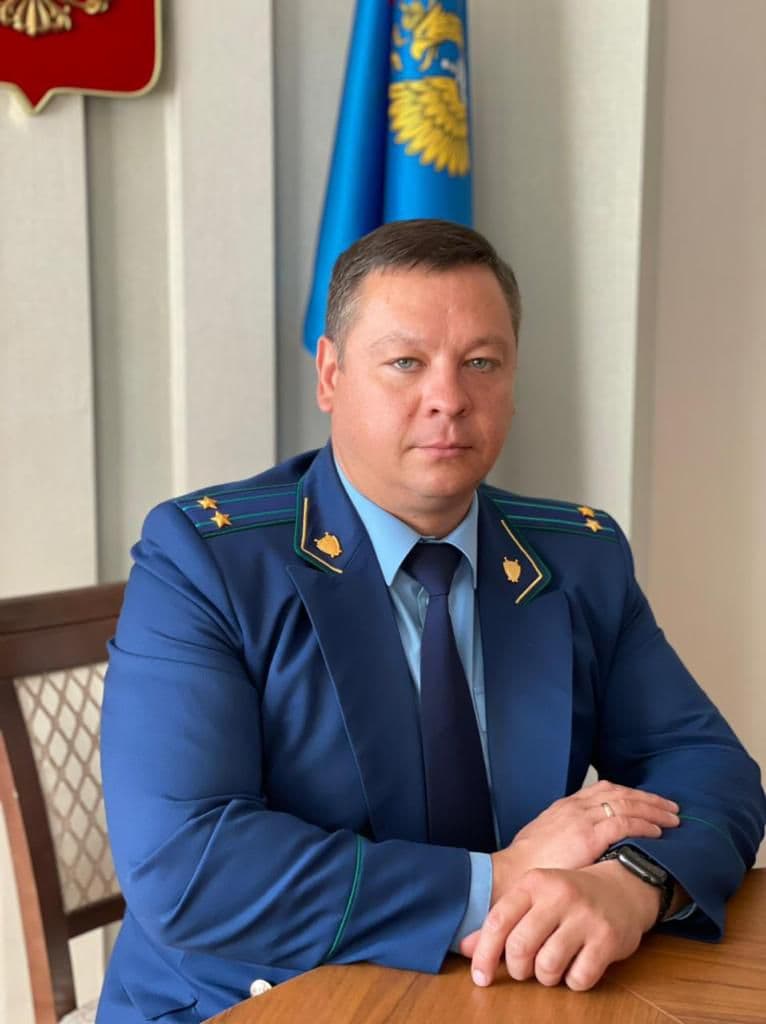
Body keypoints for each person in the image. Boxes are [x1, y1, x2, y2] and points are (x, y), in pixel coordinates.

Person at [97, 220, 765, 1023]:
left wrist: (633, 883)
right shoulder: (205, 560)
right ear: (331, 375)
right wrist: (499, 881)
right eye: (406, 362)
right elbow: (188, 864)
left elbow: (707, 765)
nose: (449, 398)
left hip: (502, 994)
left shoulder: (576, 557)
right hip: (251, 1002)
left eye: (481, 362)